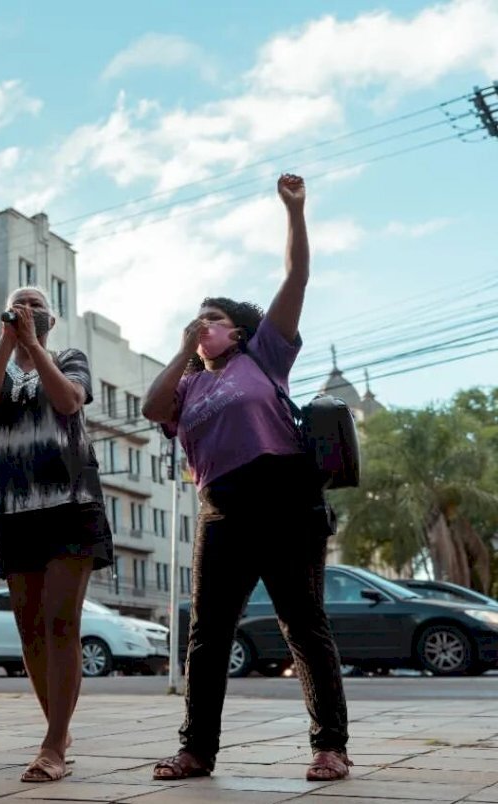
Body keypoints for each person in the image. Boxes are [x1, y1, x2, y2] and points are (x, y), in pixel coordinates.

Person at [142, 175, 351, 783]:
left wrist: (296, 212)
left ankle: (330, 746)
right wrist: (185, 350)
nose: (201, 325)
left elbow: (297, 278)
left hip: (285, 499)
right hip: (224, 508)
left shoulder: (264, 354)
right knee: (208, 633)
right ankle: (196, 751)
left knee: (303, 624)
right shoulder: (187, 384)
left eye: (211, 320)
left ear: (237, 330)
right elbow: (156, 409)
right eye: (196, 320)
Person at [0, 286, 114, 784]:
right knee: (29, 626)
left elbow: (69, 400)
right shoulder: (1, 365)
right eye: (19, 304)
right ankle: (58, 723)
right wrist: (9, 344)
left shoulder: (69, 357)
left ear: (51, 317)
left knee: (60, 622)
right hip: (15, 511)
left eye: (36, 304)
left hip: (70, 505)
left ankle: (54, 743)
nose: (28, 309)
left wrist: (34, 346)